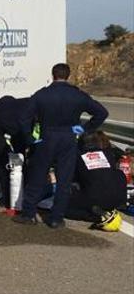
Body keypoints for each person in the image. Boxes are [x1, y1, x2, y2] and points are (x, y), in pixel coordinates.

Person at [14, 63, 109, 228]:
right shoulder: (77, 95)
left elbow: (24, 118)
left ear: (53, 75)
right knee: (64, 181)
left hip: (47, 138)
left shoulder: (42, 95)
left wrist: (29, 139)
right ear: (68, 76)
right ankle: (56, 218)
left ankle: (29, 215)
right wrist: (82, 129)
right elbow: (101, 113)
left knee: (37, 177)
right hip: (69, 138)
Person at [65, 131, 126, 231]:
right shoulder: (108, 153)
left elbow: (71, 177)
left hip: (93, 198)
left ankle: (94, 216)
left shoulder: (77, 155)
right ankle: (121, 203)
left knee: (63, 207)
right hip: (116, 199)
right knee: (119, 173)